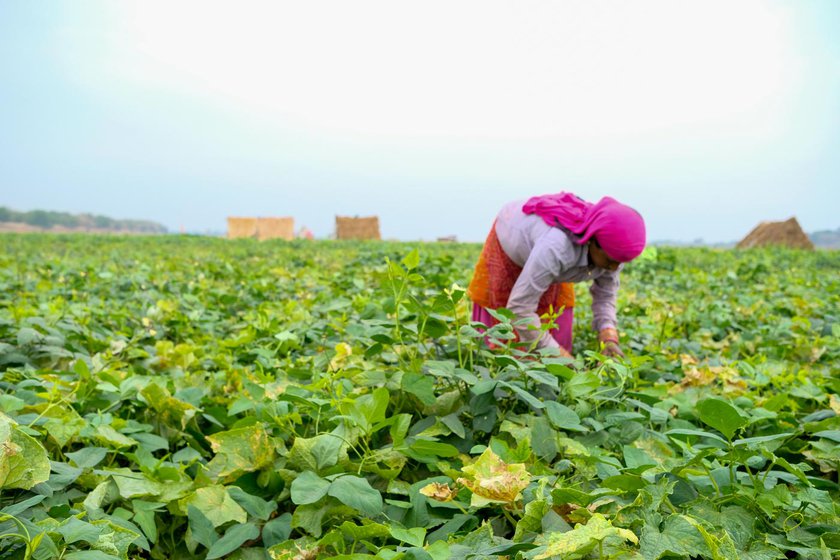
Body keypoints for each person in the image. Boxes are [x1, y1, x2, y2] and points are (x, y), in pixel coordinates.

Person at [467, 192, 646, 358]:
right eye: (609, 261)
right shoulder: (556, 248)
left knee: (557, 315)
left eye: (619, 263)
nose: (614, 268)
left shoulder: (614, 251)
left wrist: (608, 335)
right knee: (506, 328)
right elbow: (519, 308)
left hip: (549, 252)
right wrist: (559, 356)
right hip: (512, 232)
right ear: (592, 241)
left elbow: (605, 295)